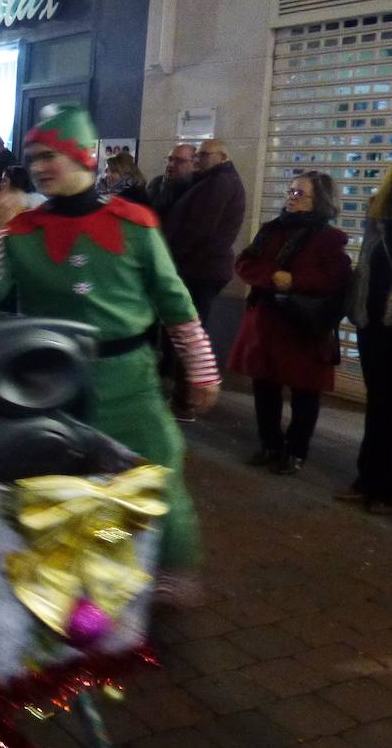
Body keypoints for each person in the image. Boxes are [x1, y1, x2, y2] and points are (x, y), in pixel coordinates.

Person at [0, 105, 220, 603]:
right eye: (33, 157)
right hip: (54, 383)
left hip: (130, 381)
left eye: (50, 155)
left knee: (157, 472)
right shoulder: (24, 229)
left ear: (82, 155)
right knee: (67, 483)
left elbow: (175, 301)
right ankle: (79, 572)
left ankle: (164, 566)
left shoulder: (134, 223)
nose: (39, 166)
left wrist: (201, 370)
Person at [228, 170, 351, 476]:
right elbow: (245, 262)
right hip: (267, 322)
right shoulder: (271, 230)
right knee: (265, 387)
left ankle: (296, 451)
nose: (291, 198)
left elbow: (336, 278)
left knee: (304, 392)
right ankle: (270, 444)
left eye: (300, 193)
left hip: (302, 326)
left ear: (318, 200)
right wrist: (271, 277)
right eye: (291, 191)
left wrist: (295, 280)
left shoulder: (329, 239)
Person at [160, 139, 247, 419]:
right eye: (196, 154)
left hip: (201, 269)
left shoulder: (220, 183)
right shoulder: (211, 180)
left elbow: (200, 228)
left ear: (222, 156)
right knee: (187, 330)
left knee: (190, 331)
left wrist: (174, 255)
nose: (198, 159)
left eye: (204, 154)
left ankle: (187, 400)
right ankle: (183, 395)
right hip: (199, 267)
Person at [346, 169, 392, 513]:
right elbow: (368, 263)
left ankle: (385, 489)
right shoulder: (379, 211)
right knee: (378, 403)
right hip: (372, 320)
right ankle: (368, 480)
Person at [145, 143, 197, 218]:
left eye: (179, 161)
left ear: (194, 164)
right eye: (170, 159)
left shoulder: (197, 187)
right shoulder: (157, 183)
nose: (170, 164)